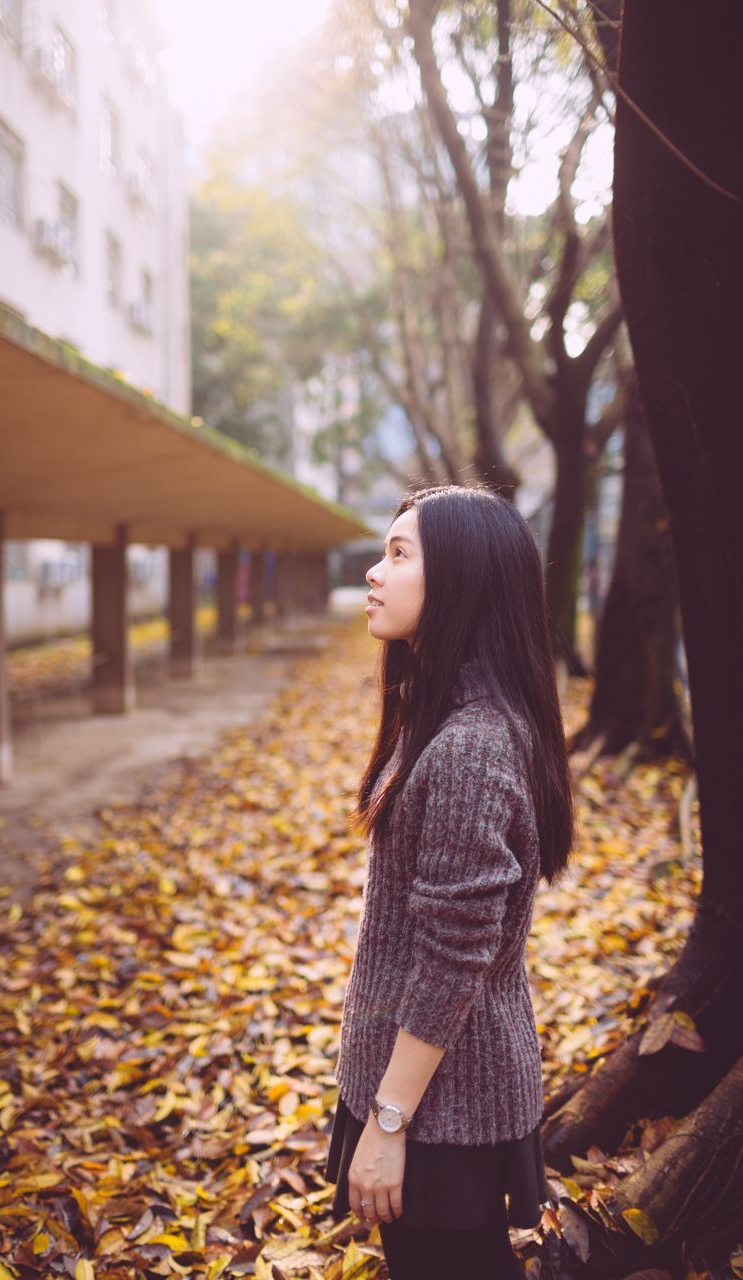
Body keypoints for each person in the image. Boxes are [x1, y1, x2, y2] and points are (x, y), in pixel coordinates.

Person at [323, 484, 574, 1279]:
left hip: (440, 1108)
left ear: (462, 581)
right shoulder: (444, 719)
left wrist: (388, 1123)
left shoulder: (470, 747)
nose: (373, 572)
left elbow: (452, 958)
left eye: (398, 555)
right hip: (430, 1092)